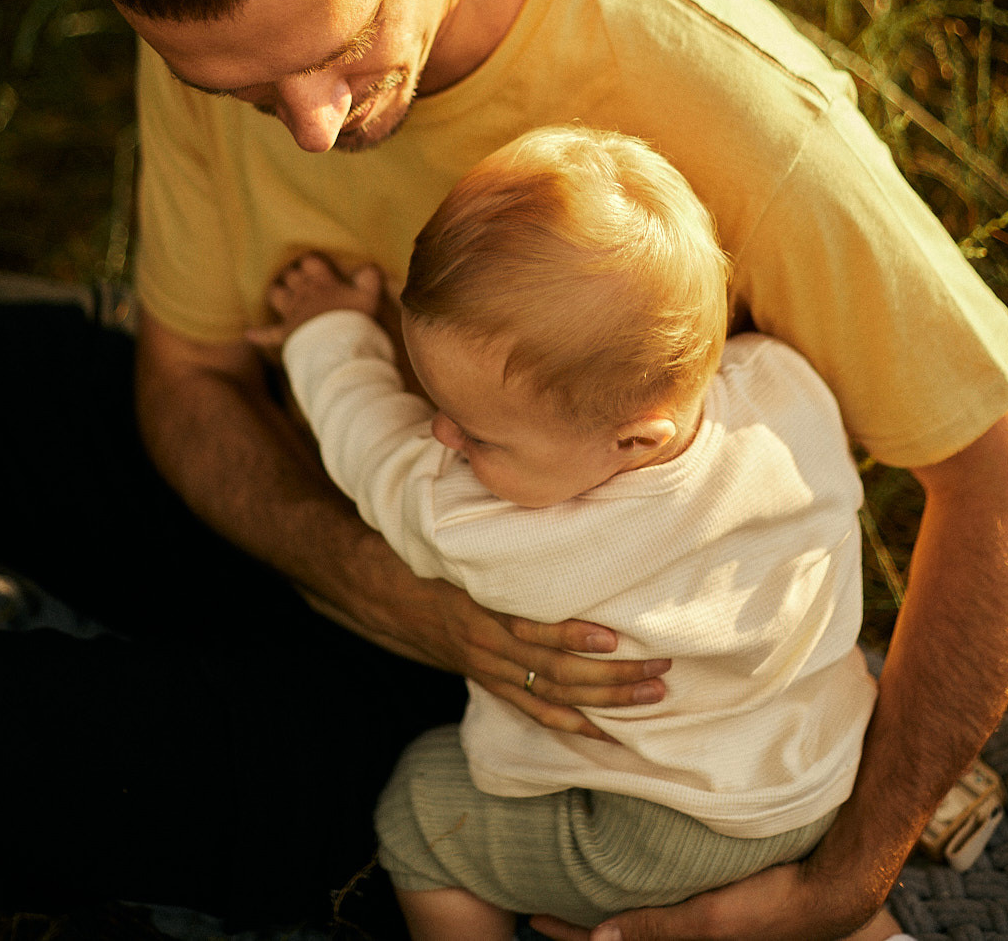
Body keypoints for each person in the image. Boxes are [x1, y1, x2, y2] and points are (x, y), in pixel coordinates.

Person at [0, 0, 1006, 940]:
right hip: (339, 523)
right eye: (241, 90)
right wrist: (380, 580)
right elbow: (188, 373)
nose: (313, 127)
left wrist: (849, 873)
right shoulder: (233, 5)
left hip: (530, 725)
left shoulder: (735, 109)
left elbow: (996, 464)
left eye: (340, 52)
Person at [252, 125, 913, 941]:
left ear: (633, 442)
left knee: (424, 808)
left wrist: (325, 333)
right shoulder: (788, 392)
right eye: (440, 409)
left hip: (663, 834)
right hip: (825, 777)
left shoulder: (498, 530)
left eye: (478, 436)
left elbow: (374, 454)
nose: (441, 437)